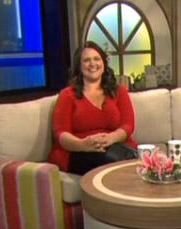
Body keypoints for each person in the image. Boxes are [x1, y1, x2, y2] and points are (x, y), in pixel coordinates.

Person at [49, 41, 138, 175]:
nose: (92, 64)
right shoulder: (67, 95)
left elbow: (128, 125)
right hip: (78, 152)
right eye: (86, 60)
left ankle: (141, 164)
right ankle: (140, 163)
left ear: (103, 64)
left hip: (115, 145)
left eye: (97, 59)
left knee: (114, 155)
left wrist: (110, 138)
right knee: (110, 158)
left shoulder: (119, 91)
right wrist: (84, 145)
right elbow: (61, 134)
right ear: (79, 66)